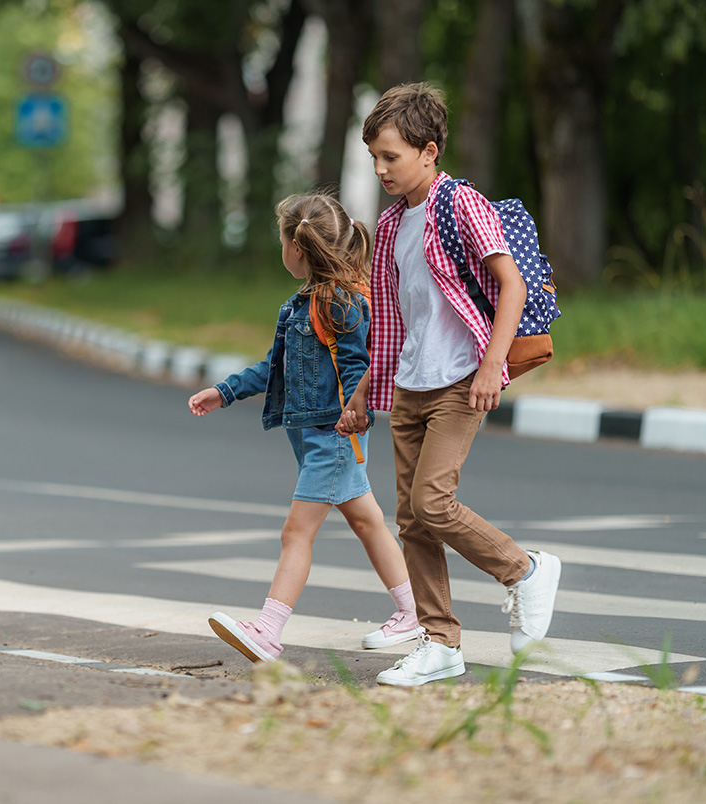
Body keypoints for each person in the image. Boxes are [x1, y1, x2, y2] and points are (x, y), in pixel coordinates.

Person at [337, 82, 561, 687]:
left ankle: (524, 568)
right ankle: (441, 644)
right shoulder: (388, 226)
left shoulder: (459, 203)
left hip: (461, 379)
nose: (381, 169)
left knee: (434, 502)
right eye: (375, 158)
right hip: (411, 383)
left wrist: (493, 364)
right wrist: (363, 391)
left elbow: (509, 285)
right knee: (412, 519)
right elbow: (390, 318)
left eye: (392, 156)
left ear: (430, 150)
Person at [188, 192, 419, 665]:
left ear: (297, 247)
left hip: (333, 436)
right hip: (318, 435)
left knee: (296, 533)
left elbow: (361, 366)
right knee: (367, 520)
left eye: (280, 241)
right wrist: (226, 391)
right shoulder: (300, 305)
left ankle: (268, 632)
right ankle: (414, 612)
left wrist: (356, 415)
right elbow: (275, 368)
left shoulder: (342, 304)